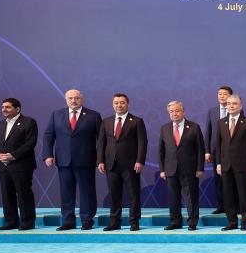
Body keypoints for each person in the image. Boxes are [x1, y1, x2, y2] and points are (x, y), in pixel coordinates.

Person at [42, 89, 102, 230]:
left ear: (82, 99)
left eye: (76, 98)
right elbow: (48, 136)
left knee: (87, 192)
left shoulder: (93, 115)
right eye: (70, 98)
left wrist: (100, 159)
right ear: (66, 99)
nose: (73, 101)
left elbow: (101, 140)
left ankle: (87, 220)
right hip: (64, 160)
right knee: (66, 192)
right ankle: (68, 221)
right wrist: (48, 155)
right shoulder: (56, 114)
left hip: (86, 160)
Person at [96, 93, 147, 231]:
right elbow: (101, 143)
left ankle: (134, 222)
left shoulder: (136, 121)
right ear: (113, 105)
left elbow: (142, 143)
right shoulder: (106, 121)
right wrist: (100, 161)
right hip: (111, 164)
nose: (119, 105)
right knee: (114, 196)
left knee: (133, 195)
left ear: (128, 104)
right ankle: (114, 223)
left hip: (131, 165)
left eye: (122, 102)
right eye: (116, 103)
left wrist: (140, 161)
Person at [158, 101, 206, 230]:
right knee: (173, 198)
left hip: (189, 169)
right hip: (170, 169)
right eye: (171, 111)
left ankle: (192, 222)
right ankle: (175, 222)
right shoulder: (165, 128)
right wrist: (162, 169)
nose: (174, 113)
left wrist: (200, 168)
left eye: (177, 111)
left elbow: (200, 149)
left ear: (183, 112)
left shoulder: (194, 127)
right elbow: (161, 150)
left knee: (191, 197)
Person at [0, 98, 38, 231]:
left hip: (21, 165)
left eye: (8, 107)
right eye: (3, 107)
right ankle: (11, 222)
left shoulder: (28, 122)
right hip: (3, 166)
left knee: (23, 194)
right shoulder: (1, 124)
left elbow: (30, 143)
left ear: (17, 109)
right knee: (7, 195)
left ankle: (27, 222)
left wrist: (12, 155)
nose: (4, 110)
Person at [215, 94, 246, 231]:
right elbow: (218, 145)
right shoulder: (221, 122)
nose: (231, 106)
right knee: (228, 195)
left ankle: (244, 221)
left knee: (243, 194)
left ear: (240, 106)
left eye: (234, 104)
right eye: (229, 104)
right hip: (226, 165)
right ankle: (232, 222)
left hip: (242, 165)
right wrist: (218, 163)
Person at [205, 85, 233, 215]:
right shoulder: (212, 111)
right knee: (218, 180)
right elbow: (208, 132)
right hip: (216, 151)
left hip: (232, 151)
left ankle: (234, 206)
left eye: (224, 94)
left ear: (230, 96)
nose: (222, 96)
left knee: (232, 179)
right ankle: (221, 206)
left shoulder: (235, 109)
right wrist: (207, 151)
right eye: (220, 94)